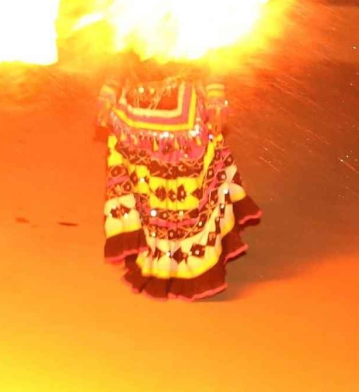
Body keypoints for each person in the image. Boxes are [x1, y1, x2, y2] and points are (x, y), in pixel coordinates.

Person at [96, 55, 261, 300]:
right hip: (137, 117)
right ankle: (156, 261)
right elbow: (119, 48)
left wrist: (216, 100)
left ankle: (189, 266)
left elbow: (212, 50)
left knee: (188, 194)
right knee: (148, 193)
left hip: (184, 121)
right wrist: (108, 93)